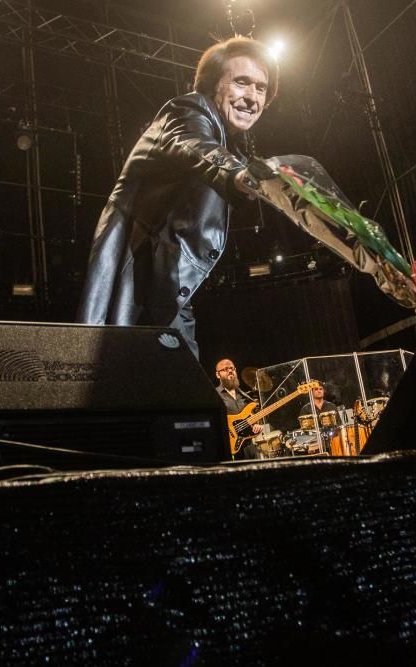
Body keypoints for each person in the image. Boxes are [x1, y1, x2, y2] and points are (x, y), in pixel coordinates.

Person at [77, 36, 277, 358]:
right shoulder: (188, 111)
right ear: (214, 84)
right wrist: (237, 174)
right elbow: (193, 146)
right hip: (134, 278)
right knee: (128, 383)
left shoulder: (230, 143)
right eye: (242, 83)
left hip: (166, 290)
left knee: (185, 395)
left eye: (261, 88)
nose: (253, 97)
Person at [215, 358, 262, 459]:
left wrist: (256, 426)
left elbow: (251, 418)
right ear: (218, 375)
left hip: (249, 446)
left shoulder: (244, 395)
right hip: (229, 449)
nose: (230, 371)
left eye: (232, 368)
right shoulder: (214, 395)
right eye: (225, 369)